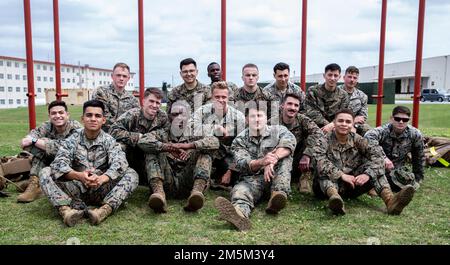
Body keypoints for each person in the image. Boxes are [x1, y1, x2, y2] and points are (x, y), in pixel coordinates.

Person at [39, 100, 139, 226]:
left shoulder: (109, 141)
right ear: (82, 119)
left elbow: (120, 162)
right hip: (77, 188)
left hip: (102, 189)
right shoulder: (72, 140)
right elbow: (59, 163)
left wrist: (103, 178)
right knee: (45, 172)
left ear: (103, 120)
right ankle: (65, 210)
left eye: (97, 116)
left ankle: (103, 211)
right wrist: (78, 176)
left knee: (132, 174)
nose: (93, 119)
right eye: (89, 115)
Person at [313, 109, 415, 215]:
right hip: (324, 188)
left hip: (351, 186)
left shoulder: (358, 140)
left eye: (348, 122)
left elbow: (378, 156)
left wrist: (367, 174)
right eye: (340, 121)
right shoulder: (323, 140)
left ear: (352, 124)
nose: (344, 124)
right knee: (323, 171)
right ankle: (335, 200)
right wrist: (341, 175)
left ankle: (390, 201)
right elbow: (318, 160)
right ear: (334, 123)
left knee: (374, 168)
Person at [215, 102, 296, 231]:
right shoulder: (239, 140)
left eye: (260, 115)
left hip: (276, 176)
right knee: (240, 192)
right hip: (253, 179)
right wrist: (262, 162)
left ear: (266, 118)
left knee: (285, 157)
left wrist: (273, 159)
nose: (257, 119)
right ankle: (239, 214)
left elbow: (290, 143)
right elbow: (242, 163)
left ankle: (278, 195)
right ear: (247, 120)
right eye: (253, 116)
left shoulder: (279, 130)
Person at [137, 101, 219, 213]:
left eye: (182, 114)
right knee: (152, 150)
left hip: (188, 183)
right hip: (167, 182)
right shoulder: (162, 133)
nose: (178, 118)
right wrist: (168, 147)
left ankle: (196, 194)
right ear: (169, 117)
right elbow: (142, 141)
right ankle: (159, 195)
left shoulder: (197, 132)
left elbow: (214, 142)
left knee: (204, 152)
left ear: (189, 116)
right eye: (174, 114)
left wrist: (188, 146)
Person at [18, 100, 82, 203]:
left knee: (42, 145)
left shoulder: (76, 128)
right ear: (49, 116)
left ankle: (41, 183)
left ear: (67, 115)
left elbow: (66, 149)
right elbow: (27, 140)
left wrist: (41, 142)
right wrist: (29, 140)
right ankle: (34, 182)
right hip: (53, 161)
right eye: (53, 113)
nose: (57, 116)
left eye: (61, 112)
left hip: (71, 165)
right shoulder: (47, 126)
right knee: (36, 148)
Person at [109, 88, 170, 186]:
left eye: (157, 103)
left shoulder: (163, 117)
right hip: (132, 153)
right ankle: (117, 176)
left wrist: (149, 139)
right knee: (119, 146)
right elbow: (113, 131)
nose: (154, 105)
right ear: (143, 101)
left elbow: (167, 135)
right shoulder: (132, 115)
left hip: (151, 154)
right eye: (151, 101)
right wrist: (137, 137)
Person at [191, 81, 246, 189]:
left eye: (223, 97)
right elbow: (190, 127)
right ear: (212, 97)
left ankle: (219, 178)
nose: (220, 100)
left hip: (227, 156)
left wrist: (230, 170)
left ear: (228, 98)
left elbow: (243, 147)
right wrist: (214, 128)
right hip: (205, 151)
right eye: (217, 97)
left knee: (238, 175)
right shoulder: (202, 111)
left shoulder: (238, 117)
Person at [270, 93, 324, 194]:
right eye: (289, 104)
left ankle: (305, 177)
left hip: (300, 159)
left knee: (315, 143)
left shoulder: (303, 120)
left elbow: (319, 134)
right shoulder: (272, 122)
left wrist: (307, 154)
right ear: (282, 105)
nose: (293, 108)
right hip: (280, 158)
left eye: (296, 105)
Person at [365, 106, 424, 192]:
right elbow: (368, 137)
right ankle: (374, 187)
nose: (401, 122)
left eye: (405, 120)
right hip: (377, 166)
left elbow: (419, 157)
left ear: (409, 120)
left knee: (404, 181)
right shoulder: (382, 131)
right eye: (397, 119)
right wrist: (383, 158)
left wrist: (418, 179)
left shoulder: (415, 134)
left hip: (396, 171)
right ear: (391, 118)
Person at [91, 62, 140, 132]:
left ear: (128, 78)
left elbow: (136, 121)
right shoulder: (101, 92)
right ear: (112, 76)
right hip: (103, 136)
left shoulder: (133, 100)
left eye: (124, 76)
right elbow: (104, 118)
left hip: (124, 138)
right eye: (118, 75)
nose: (121, 78)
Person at [305, 63, 349, 133]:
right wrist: (328, 125)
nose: (332, 78)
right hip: (315, 126)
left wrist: (332, 125)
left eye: (335, 75)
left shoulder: (343, 95)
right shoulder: (313, 91)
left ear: (339, 77)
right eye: (330, 75)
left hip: (336, 127)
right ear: (324, 76)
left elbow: (343, 114)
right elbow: (311, 112)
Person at [338, 66, 371, 135]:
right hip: (337, 122)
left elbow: (362, 117)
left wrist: (354, 125)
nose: (352, 80)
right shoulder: (336, 92)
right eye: (349, 77)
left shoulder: (362, 96)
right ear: (344, 78)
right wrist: (352, 122)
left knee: (370, 132)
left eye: (355, 78)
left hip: (356, 125)